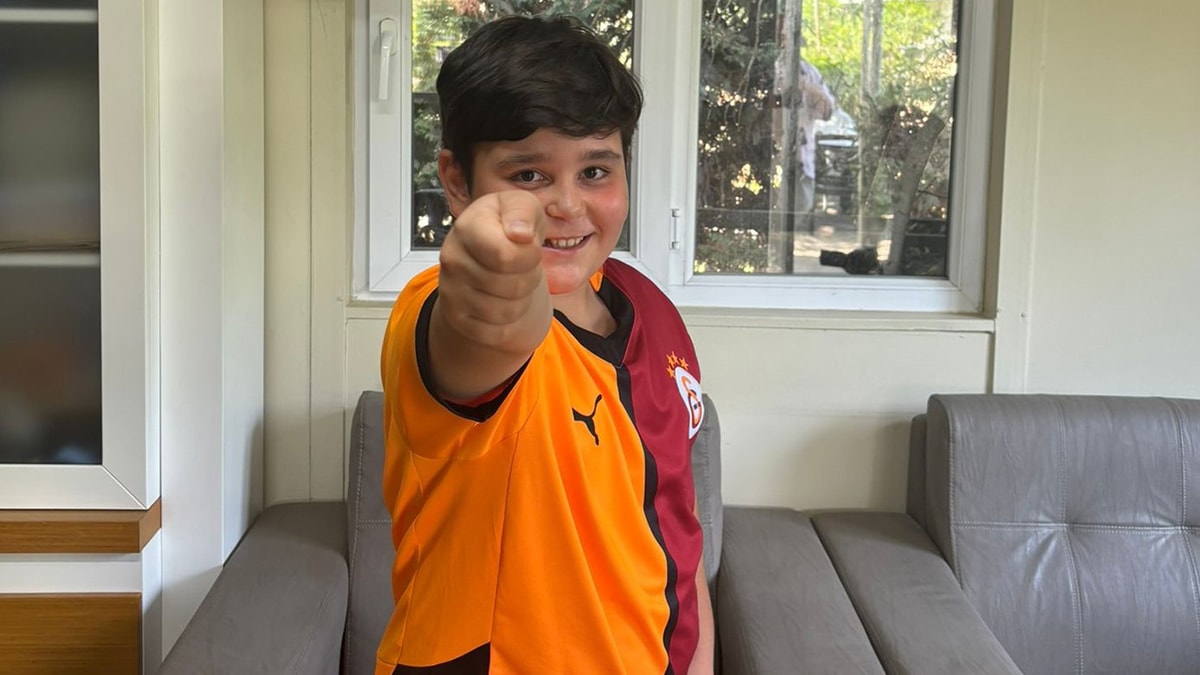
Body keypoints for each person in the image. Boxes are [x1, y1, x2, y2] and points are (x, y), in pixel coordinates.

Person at [377, 16, 714, 675]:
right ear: (457, 181)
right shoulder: (438, 306)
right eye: (529, 174)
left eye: (595, 170)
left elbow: (678, 520)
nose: (566, 203)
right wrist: (496, 271)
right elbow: (486, 334)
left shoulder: (652, 310)